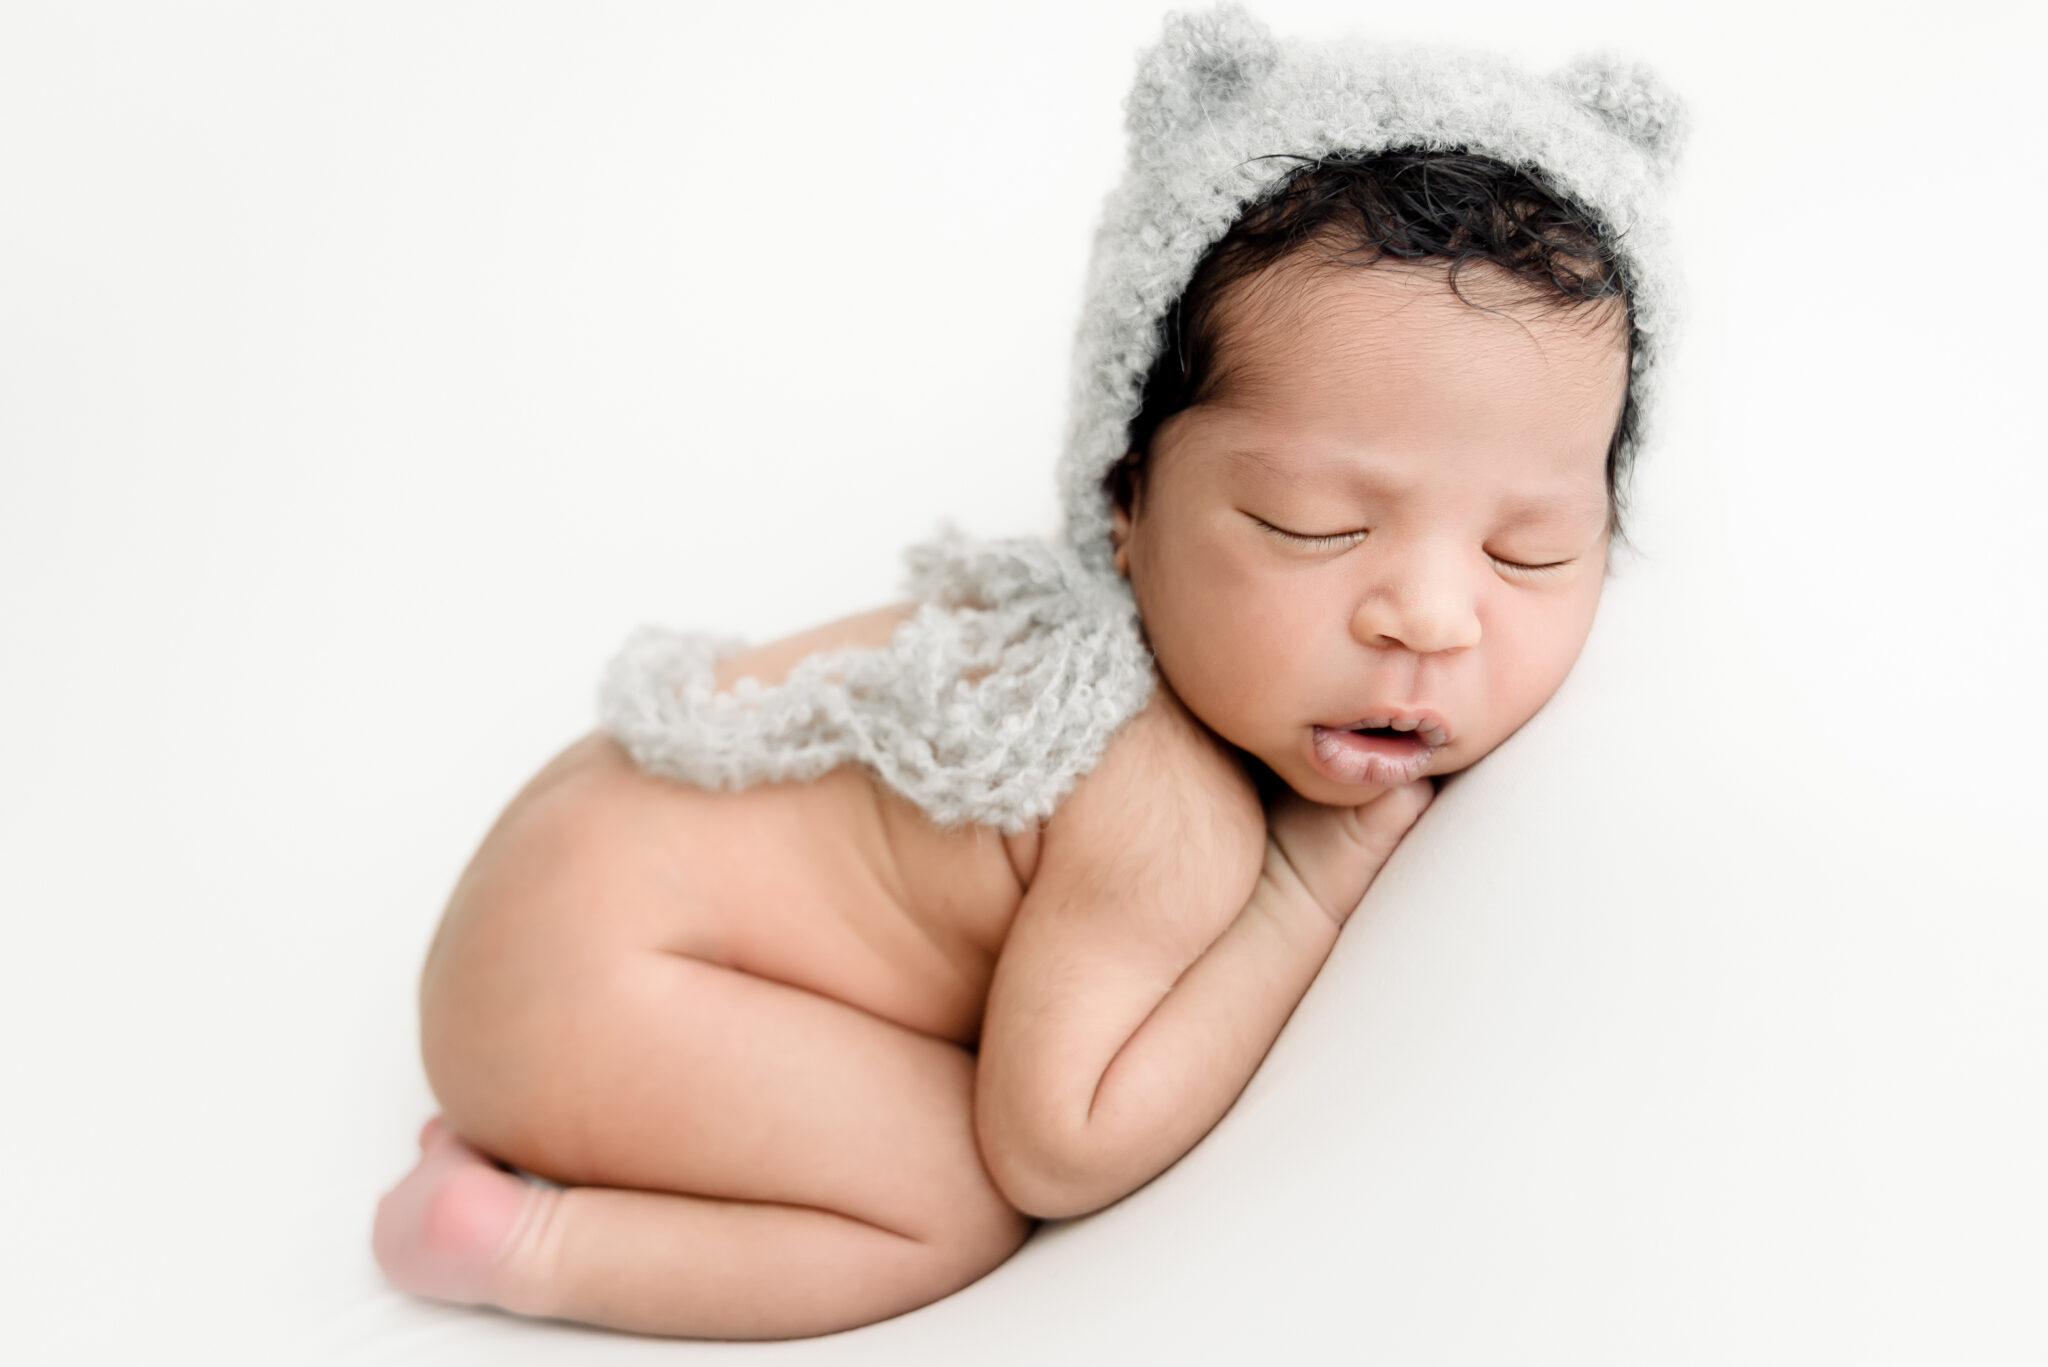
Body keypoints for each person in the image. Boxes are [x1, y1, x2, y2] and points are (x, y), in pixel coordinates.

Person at [371, 1, 1685, 1340]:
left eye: (1530, 550)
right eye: (1313, 527)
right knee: (950, 1202)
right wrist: (1300, 890)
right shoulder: (1156, 795)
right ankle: (517, 1239)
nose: (1432, 617)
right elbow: (1059, 1145)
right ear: (1123, 500)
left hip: (565, 882)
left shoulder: (1087, 657)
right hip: (590, 978)